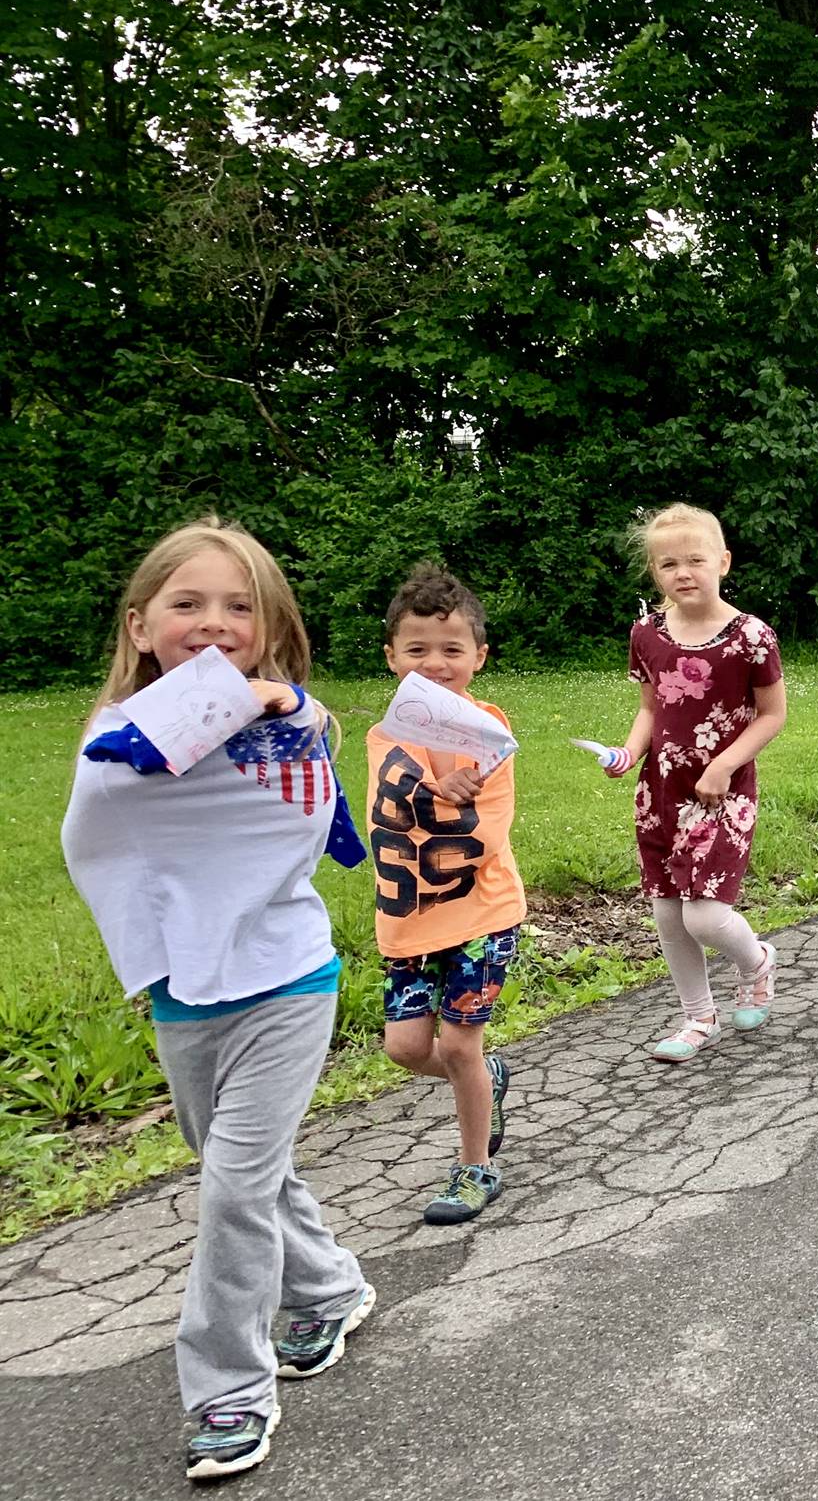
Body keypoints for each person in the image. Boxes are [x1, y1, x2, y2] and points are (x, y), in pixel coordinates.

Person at [61, 519, 373, 1482]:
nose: (213, 623)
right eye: (187, 604)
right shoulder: (111, 737)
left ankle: (228, 1388)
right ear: (140, 622)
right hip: (185, 989)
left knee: (232, 1185)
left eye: (241, 606)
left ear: (271, 624)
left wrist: (292, 706)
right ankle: (330, 1285)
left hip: (288, 977)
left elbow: (304, 744)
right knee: (247, 1170)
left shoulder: (286, 721)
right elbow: (128, 787)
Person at [601, 504, 787, 1056]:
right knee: (666, 909)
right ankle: (696, 1017)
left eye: (695, 560)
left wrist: (725, 765)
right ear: (655, 573)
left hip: (722, 791)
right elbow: (650, 708)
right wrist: (628, 751)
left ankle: (757, 962)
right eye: (668, 564)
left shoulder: (751, 637)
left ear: (723, 562)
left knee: (705, 915)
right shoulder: (647, 634)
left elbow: (773, 715)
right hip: (661, 791)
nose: (683, 573)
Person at [367, 565, 524, 1224]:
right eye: (418, 649)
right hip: (408, 922)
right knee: (405, 1047)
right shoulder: (386, 734)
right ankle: (487, 1078)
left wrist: (451, 792)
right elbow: (389, 809)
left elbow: (482, 823)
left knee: (459, 1046)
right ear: (392, 657)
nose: (435, 663)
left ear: (479, 657)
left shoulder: (485, 732)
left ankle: (474, 1167)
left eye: (452, 649)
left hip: (479, 915)